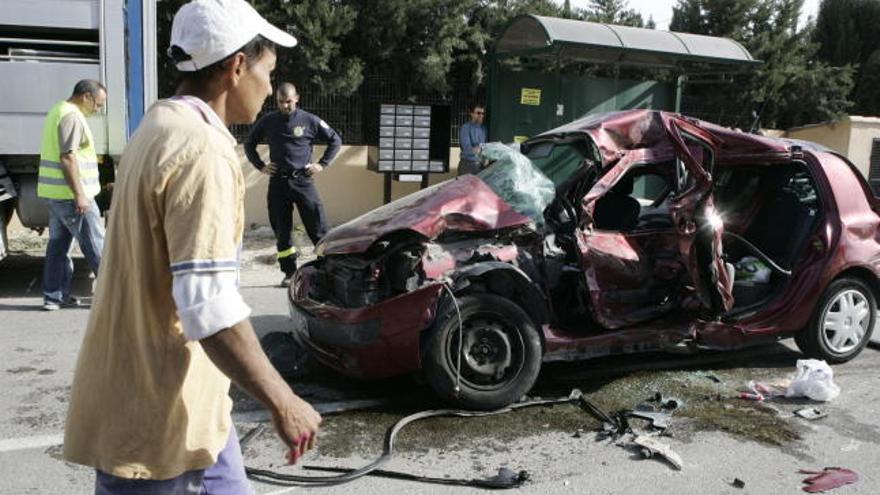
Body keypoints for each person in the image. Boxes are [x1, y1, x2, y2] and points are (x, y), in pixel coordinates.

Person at [62, 1, 321, 493]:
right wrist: (283, 402)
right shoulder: (201, 149)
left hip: (193, 408)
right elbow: (209, 308)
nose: (270, 87)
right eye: (268, 71)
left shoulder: (158, 125)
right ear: (236, 66)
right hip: (162, 422)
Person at [245, 83, 341, 287]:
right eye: (281, 102)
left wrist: (321, 164)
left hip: (303, 182)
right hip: (278, 183)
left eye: (288, 101)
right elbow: (249, 143)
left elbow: (335, 140)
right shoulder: (268, 121)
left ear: (296, 98)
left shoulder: (309, 120)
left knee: (318, 228)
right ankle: (289, 272)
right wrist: (260, 166)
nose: (285, 105)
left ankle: (329, 269)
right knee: (282, 231)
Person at [38, 79, 107, 311]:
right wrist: (80, 195)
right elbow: (68, 157)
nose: (99, 110)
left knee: (58, 245)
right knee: (95, 244)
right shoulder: (72, 116)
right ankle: (115, 298)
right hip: (72, 196)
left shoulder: (58, 110)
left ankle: (54, 296)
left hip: (56, 193)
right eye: (98, 104)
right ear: (86, 96)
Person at [457, 103, 487, 176]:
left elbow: (485, 146)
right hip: (468, 164)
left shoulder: (484, 129)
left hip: (480, 165)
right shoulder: (466, 128)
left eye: (483, 113)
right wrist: (481, 149)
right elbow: (467, 149)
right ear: (472, 114)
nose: (481, 115)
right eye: (478, 113)